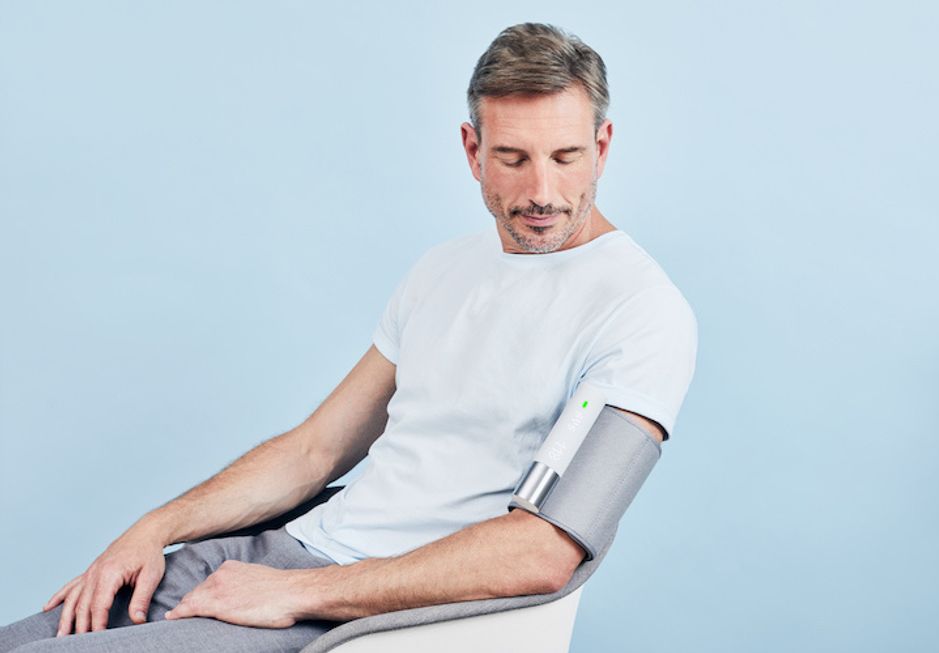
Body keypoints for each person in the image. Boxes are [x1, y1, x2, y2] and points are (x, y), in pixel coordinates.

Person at [0, 21, 697, 652]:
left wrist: (295, 594)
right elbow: (316, 449)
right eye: (513, 158)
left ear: (603, 147)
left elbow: (542, 550)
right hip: (278, 553)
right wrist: (154, 527)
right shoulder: (443, 269)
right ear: (471, 149)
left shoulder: (640, 311)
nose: (542, 190)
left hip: (359, 610)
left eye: (566, 157)